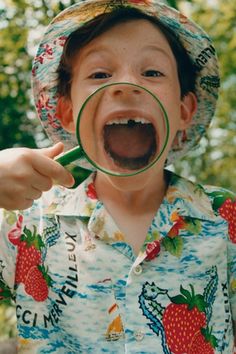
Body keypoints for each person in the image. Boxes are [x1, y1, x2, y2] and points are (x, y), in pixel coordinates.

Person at [0, 1, 235, 353]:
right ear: (67, 112)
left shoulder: (224, 217)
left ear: (184, 111)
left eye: (152, 73)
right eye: (99, 74)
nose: (126, 85)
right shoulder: (23, 221)